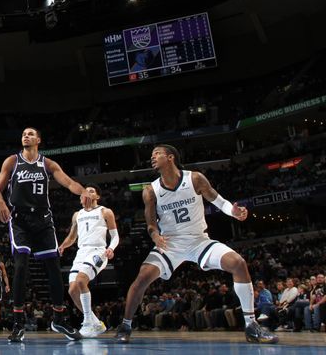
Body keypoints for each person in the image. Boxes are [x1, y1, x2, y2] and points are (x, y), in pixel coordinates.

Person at [114, 145, 278, 344]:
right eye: (151, 155)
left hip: (199, 241)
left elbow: (219, 201)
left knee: (238, 263)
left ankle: (252, 326)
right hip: (170, 244)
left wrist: (233, 212)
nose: (152, 157)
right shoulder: (150, 190)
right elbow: (150, 224)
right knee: (142, 278)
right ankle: (125, 326)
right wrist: (155, 235)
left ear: (171, 157)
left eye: (157, 153)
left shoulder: (194, 178)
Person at [0, 127, 94, 342]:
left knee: (54, 269)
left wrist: (83, 191)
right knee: (20, 266)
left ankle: (59, 318)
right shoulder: (12, 161)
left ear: (38, 139)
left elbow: (68, 182)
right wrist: (1, 203)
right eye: (23, 134)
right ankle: (18, 323)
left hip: (43, 220)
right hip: (19, 220)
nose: (25, 136)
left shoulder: (48, 164)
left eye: (30, 134)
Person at [58, 184, 119, 337]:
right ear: (81, 198)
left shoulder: (105, 211)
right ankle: (96, 323)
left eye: (91, 191)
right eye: (85, 191)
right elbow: (72, 237)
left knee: (80, 281)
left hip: (98, 251)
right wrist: (62, 246)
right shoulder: (77, 214)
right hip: (81, 252)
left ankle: (86, 323)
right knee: (72, 290)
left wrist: (111, 248)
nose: (88, 192)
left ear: (97, 196)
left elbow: (115, 236)